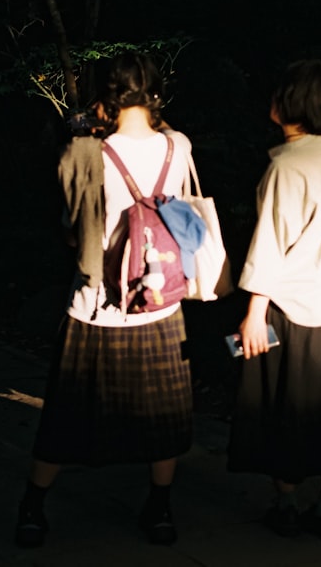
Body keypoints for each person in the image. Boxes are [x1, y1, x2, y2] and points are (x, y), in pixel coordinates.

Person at [14, 52, 195, 547]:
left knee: (66, 415)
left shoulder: (84, 151)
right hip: (160, 300)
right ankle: (159, 510)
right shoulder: (178, 145)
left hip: (97, 305)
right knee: (163, 414)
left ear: (105, 96)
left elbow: (72, 231)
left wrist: (87, 129)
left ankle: (33, 507)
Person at [226, 59, 321, 543]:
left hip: (288, 305)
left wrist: (254, 311)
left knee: (283, 407)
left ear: (290, 103)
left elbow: (270, 242)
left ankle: (286, 502)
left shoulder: (286, 165)